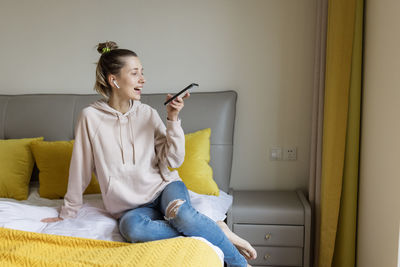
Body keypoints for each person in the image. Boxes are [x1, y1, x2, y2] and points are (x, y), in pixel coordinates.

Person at [41, 41, 256, 267]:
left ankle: (239, 263)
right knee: (132, 230)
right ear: (114, 80)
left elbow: (173, 160)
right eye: (135, 74)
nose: (142, 79)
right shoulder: (90, 117)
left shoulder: (148, 113)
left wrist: (172, 119)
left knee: (182, 215)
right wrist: (67, 212)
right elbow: (80, 168)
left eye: (142, 73)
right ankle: (212, 229)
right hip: (129, 206)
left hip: (164, 188)